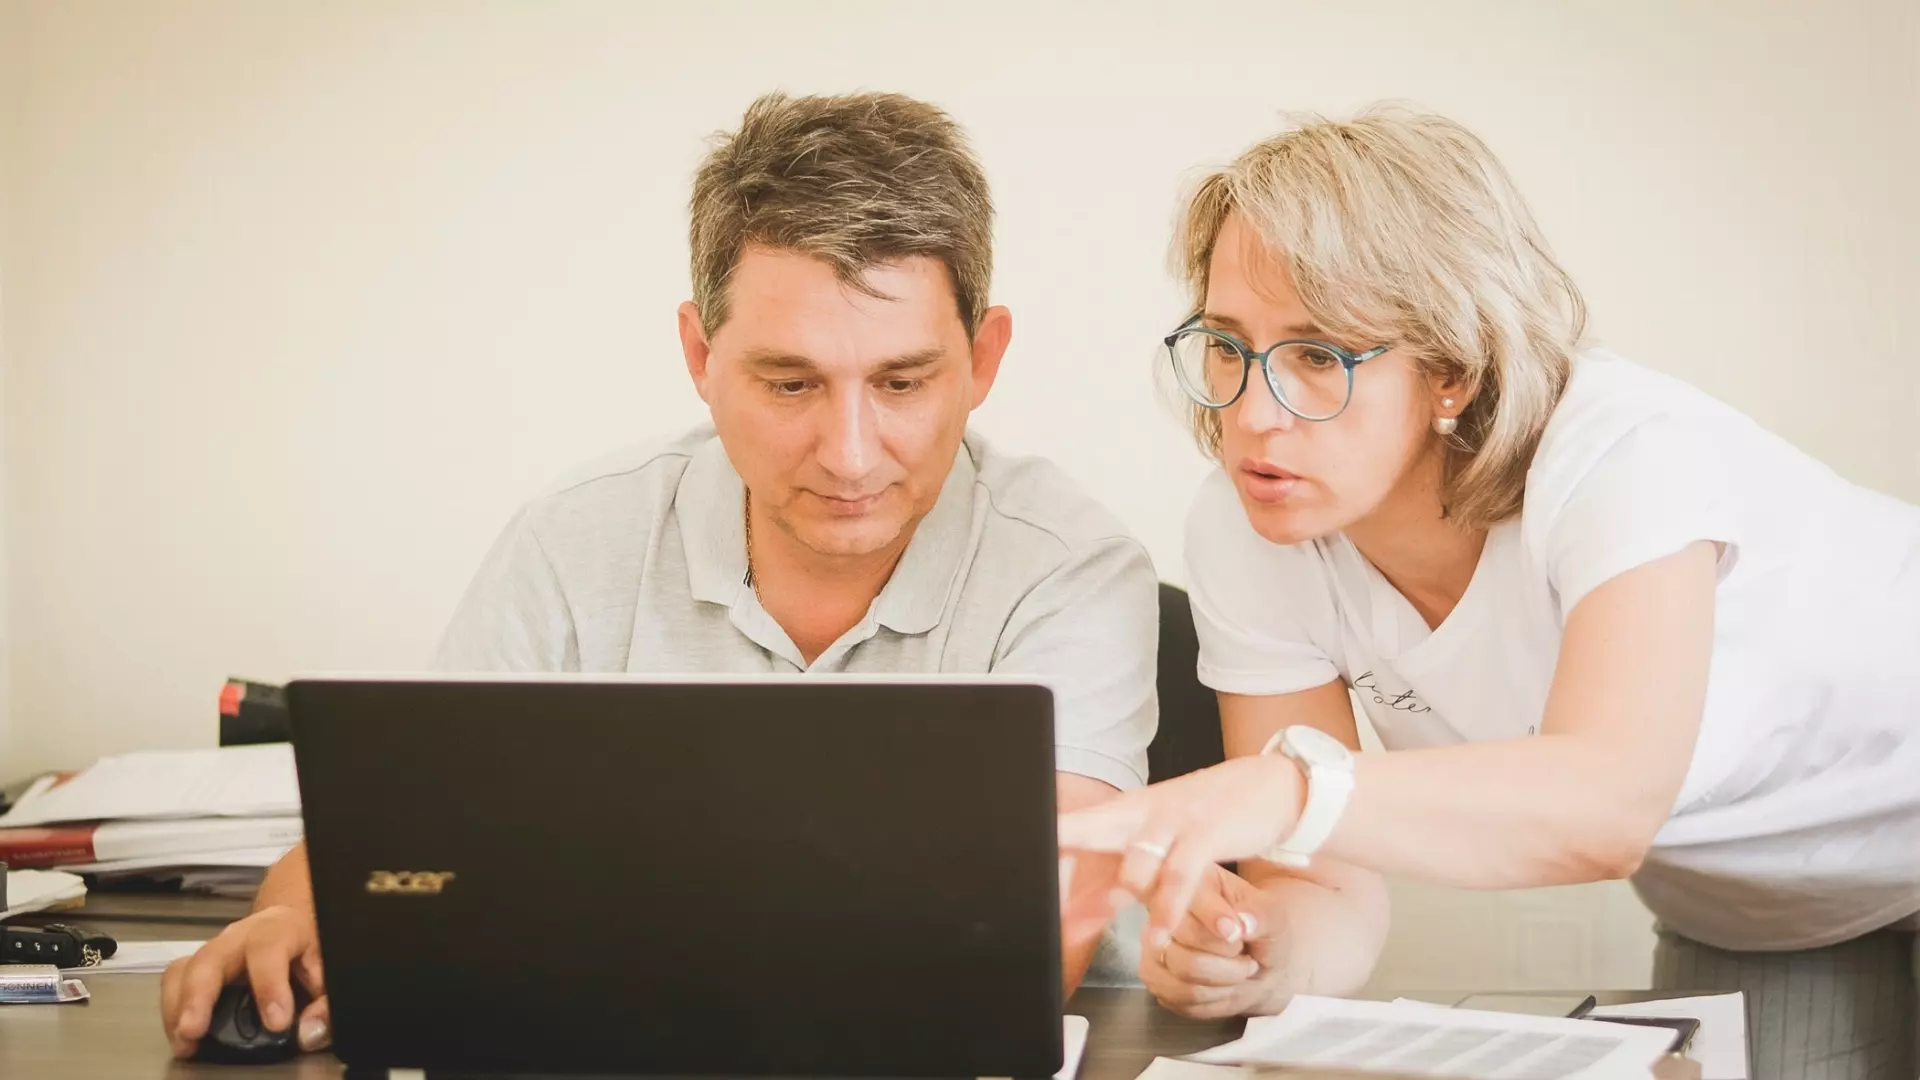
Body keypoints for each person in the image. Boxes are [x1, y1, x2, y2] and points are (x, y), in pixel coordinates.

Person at [162, 91, 1160, 1060]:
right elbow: (401, 839)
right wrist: (289, 919)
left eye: (902, 382)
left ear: (982, 359)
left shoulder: (1068, 567)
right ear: (699, 354)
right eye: (790, 383)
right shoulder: (575, 540)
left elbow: (1031, 949)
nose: (851, 454)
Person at [1059, 105, 1920, 1080]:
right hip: (1762, 909)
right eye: (1227, 345)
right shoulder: (1248, 525)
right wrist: (1259, 954)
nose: (1254, 414)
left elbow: (1607, 806)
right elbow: (1324, 885)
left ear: (1453, 373)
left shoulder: (1622, 456)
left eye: (1319, 357)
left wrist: (1279, 788)